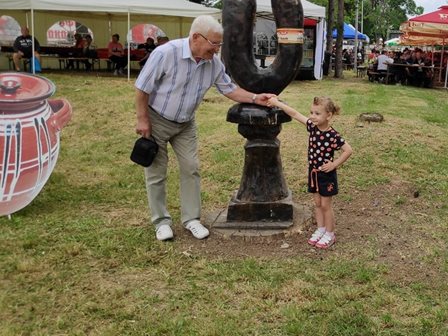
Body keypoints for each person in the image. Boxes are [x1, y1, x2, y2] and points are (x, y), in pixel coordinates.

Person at [134, 15, 275, 242]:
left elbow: (228, 89)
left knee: (191, 168)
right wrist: (142, 119)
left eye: (220, 44)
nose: (217, 50)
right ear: (196, 38)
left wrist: (256, 97)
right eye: (214, 43)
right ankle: (161, 222)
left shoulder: (213, 64)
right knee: (156, 172)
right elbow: (142, 89)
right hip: (157, 119)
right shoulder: (165, 54)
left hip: (185, 123)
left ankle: (191, 219)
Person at [267, 95, 353, 249]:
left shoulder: (333, 135)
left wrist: (334, 164)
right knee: (318, 203)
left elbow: (348, 150)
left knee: (326, 205)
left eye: (317, 113)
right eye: (311, 112)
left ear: (329, 115)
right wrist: (277, 103)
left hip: (326, 176)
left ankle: (330, 233)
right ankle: (320, 229)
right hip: (313, 173)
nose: (312, 116)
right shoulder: (312, 127)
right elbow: (294, 113)